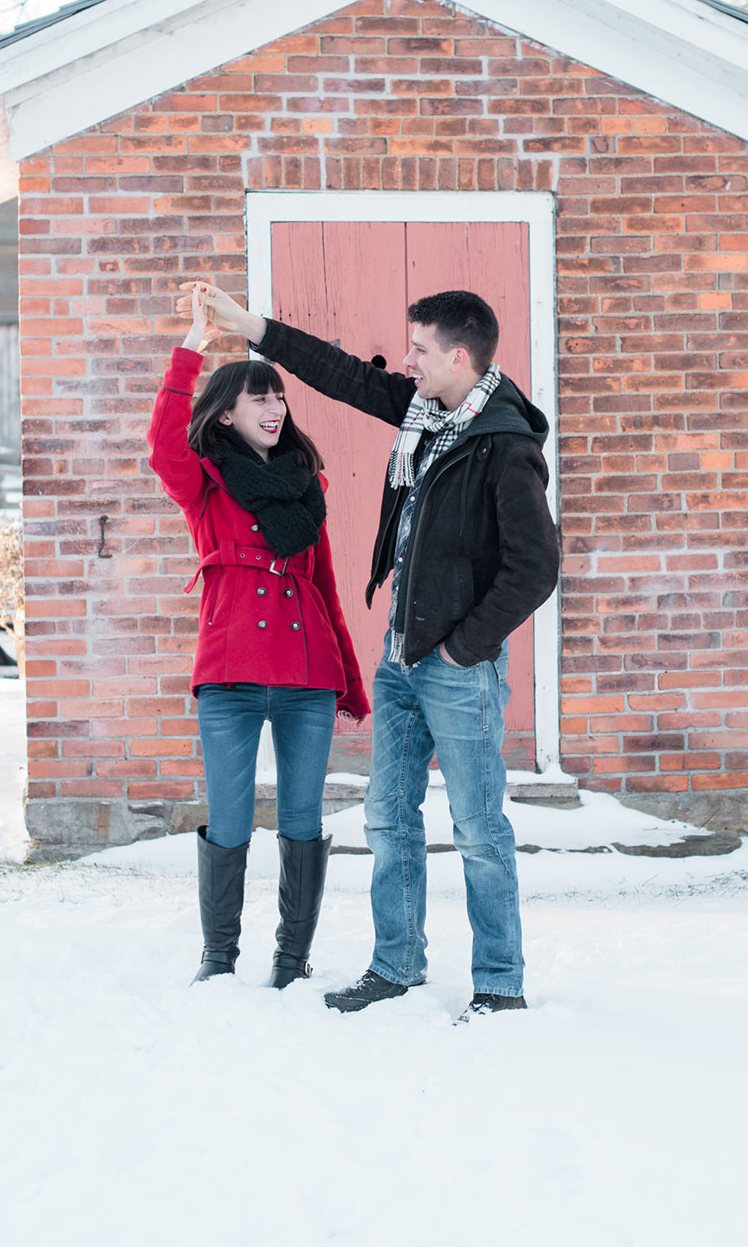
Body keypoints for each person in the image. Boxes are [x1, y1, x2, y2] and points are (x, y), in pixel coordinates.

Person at [180, 280, 559, 1022]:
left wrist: (463, 649)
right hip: (402, 657)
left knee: (479, 828)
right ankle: (396, 965)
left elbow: (535, 568)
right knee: (389, 819)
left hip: (454, 666)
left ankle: (500, 983)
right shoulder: (428, 411)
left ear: (457, 355)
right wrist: (249, 324)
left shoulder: (505, 445)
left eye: (419, 350)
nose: (407, 362)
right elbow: (344, 374)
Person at [147, 287, 369, 988]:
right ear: (227, 412)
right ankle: (220, 956)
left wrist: (351, 681)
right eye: (258, 398)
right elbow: (161, 447)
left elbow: (326, 587)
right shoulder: (206, 483)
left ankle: (290, 957)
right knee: (232, 819)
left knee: (302, 820)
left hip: (307, 678)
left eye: (278, 396)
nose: (274, 408)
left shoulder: (309, 487)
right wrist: (191, 349)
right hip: (232, 677)